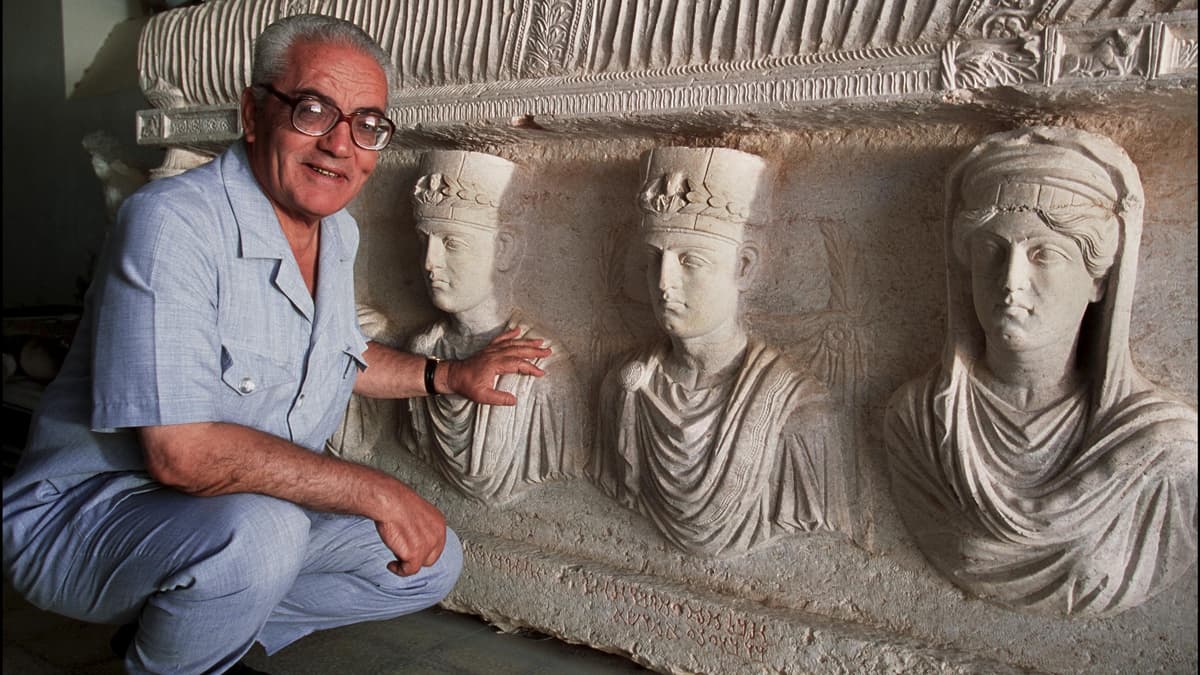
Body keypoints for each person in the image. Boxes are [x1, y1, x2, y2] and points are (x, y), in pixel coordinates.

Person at [2, 14, 550, 674]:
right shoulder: (171, 223)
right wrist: (376, 490)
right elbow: (181, 453)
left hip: (225, 518)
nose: (340, 144)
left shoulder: (335, 232)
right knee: (268, 533)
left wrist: (449, 375)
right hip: (88, 518)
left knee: (427, 561)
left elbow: (335, 353)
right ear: (253, 114)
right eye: (313, 110)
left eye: (367, 123)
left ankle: (197, 636)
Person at [884, 126, 1198, 618]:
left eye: (1044, 254)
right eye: (991, 251)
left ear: (1097, 280)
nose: (1011, 282)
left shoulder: (1164, 452)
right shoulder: (919, 423)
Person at [591, 146, 853, 558]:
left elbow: (825, 553)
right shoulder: (623, 388)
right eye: (655, 259)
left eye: (690, 261)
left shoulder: (799, 415)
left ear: (744, 267)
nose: (663, 283)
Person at [403, 150, 585, 505]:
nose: (429, 263)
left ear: (504, 249)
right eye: (424, 241)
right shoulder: (422, 351)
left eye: (451, 243)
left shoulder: (544, 372)